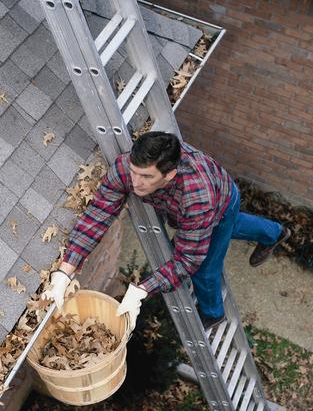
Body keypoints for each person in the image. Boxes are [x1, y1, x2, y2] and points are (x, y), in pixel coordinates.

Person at [42, 132, 290, 332]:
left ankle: (213, 313)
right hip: (202, 208)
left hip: (221, 202)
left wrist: (141, 290)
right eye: (134, 172)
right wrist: (65, 270)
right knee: (227, 228)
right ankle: (275, 233)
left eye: (146, 177)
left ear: (170, 174)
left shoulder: (197, 200)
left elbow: (188, 260)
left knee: (206, 268)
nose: (136, 183)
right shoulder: (128, 167)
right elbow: (99, 214)